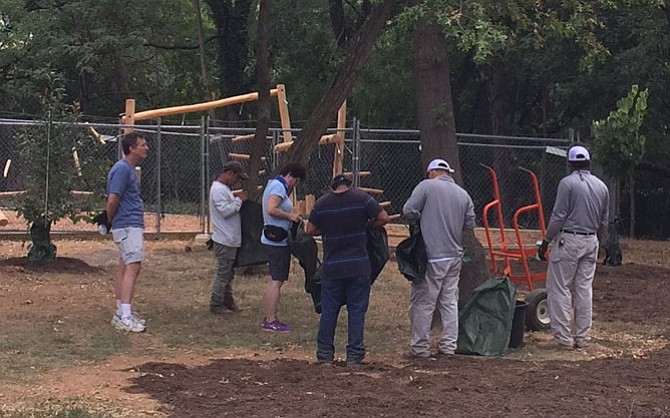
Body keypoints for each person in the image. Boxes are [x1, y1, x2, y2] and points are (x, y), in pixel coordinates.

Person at [306, 174, 389, 366]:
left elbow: (310, 230)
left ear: (332, 186)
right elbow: (383, 217)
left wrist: (326, 230)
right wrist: (367, 225)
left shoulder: (322, 203)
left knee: (329, 311)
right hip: (359, 265)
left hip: (332, 267)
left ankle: (325, 355)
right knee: (357, 311)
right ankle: (354, 355)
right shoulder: (361, 198)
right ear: (349, 185)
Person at [537, 145, 609, 350]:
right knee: (584, 288)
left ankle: (564, 338)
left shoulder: (567, 184)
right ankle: (583, 337)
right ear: (589, 162)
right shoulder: (601, 186)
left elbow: (559, 215)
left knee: (559, 287)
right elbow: (604, 220)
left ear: (570, 163)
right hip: (591, 240)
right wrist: (600, 242)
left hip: (569, 240)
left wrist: (546, 240)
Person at [403, 158, 475, 358]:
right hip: (455, 255)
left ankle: (419, 348)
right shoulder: (463, 194)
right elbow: (469, 224)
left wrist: (422, 219)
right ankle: (448, 345)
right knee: (449, 301)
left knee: (424, 301)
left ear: (432, 172)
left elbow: (408, 210)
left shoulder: (426, 186)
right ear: (448, 173)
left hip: (432, 255)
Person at [107, 132, 149, 332]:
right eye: (142, 144)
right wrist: (108, 220)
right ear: (131, 148)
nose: (146, 148)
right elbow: (113, 198)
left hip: (130, 223)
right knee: (133, 267)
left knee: (125, 267)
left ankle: (121, 312)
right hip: (127, 224)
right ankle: (125, 316)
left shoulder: (129, 169)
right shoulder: (122, 169)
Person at [261, 162, 306, 332]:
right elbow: (271, 209)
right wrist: (290, 216)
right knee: (276, 281)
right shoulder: (279, 187)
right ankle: (271, 320)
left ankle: (270, 317)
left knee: (276, 280)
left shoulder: (274, 184)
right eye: (297, 180)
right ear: (290, 175)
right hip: (276, 241)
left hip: (275, 239)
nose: (295, 184)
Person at [209, 161, 249, 314]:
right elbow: (225, 211)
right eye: (237, 178)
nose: (237, 182)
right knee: (223, 273)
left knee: (228, 273)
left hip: (230, 239)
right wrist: (239, 200)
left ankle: (227, 301)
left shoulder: (224, 189)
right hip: (225, 239)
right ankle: (216, 303)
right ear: (230, 173)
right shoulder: (218, 190)